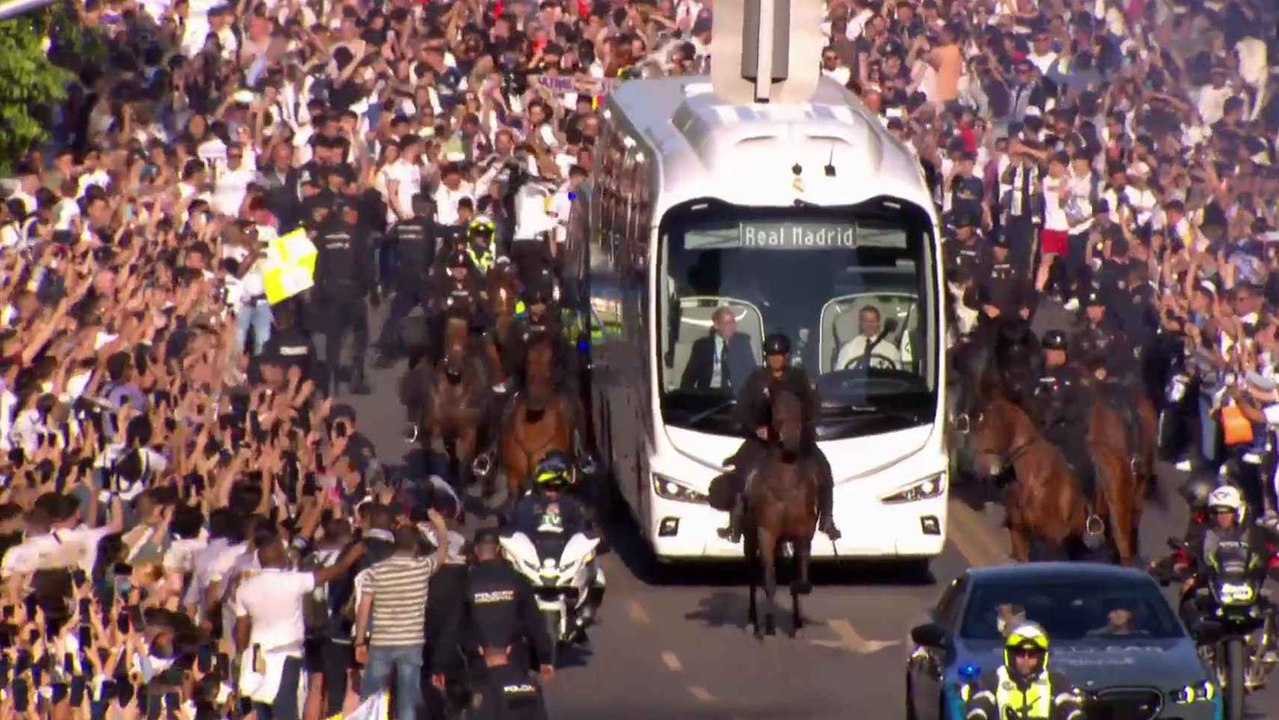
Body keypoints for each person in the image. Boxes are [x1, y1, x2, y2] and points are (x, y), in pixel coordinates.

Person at [719, 333, 841, 543]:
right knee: (743, 470)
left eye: (780, 355)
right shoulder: (756, 379)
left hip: (795, 439)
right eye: (772, 355)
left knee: (823, 468)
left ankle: (827, 519)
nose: (776, 359)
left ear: (787, 356)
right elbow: (740, 411)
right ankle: (735, 523)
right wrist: (756, 428)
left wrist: (802, 428)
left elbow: (812, 406)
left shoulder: (798, 378)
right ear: (766, 357)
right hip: (763, 441)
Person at [353, 510, 451, 720]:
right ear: (416, 546)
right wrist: (441, 527)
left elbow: (364, 607)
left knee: (372, 699)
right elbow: (442, 553)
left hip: (381, 642)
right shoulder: (422, 567)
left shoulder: (376, 570)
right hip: (411, 643)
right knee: (407, 702)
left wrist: (360, 641)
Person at [1172, 484, 1278, 659]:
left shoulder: (1256, 533)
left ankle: (1269, 649)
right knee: (1188, 603)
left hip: (1248, 587)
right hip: (1212, 589)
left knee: (1272, 608)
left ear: (1237, 512)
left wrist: (1274, 565)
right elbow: (1184, 554)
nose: (1221, 517)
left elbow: (1271, 552)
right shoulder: (1201, 533)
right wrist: (1182, 570)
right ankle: (1189, 653)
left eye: (1226, 512)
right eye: (1216, 512)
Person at [508, 451, 605, 627]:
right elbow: (517, 530)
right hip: (534, 561)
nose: (552, 492)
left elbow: (583, 529)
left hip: (564, 560)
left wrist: (595, 538)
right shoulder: (526, 506)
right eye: (548, 487)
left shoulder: (573, 506)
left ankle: (586, 612)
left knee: (598, 576)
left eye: (557, 488)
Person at [312, 196, 375, 395]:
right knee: (359, 335)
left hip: (330, 290)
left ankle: (330, 383)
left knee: (333, 338)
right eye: (354, 213)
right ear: (348, 214)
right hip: (352, 292)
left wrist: (317, 290)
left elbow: (318, 265)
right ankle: (357, 378)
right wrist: (372, 290)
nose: (356, 217)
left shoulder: (325, 234)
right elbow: (366, 265)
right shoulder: (357, 235)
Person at [961, 622, 1086, 720]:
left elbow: (1069, 705)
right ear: (1010, 655)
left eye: (1032, 654)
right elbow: (980, 702)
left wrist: (1076, 716)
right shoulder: (993, 679)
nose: (1026, 659)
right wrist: (977, 715)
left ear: (1042, 657)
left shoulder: (1056, 681)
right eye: (1020, 653)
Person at [374, 193, 437, 367]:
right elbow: (449, 231)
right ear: (425, 207)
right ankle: (439, 352)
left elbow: (384, 240)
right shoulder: (428, 225)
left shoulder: (401, 225)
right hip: (424, 279)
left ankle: (383, 352)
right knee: (435, 314)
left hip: (405, 277)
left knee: (395, 316)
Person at [679, 306, 756, 392]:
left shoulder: (742, 342)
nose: (732, 326)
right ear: (716, 325)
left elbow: (752, 372)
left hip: (736, 395)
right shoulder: (702, 346)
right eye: (727, 323)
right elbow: (689, 377)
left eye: (733, 322)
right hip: (711, 395)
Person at [832, 305, 903, 371]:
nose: (869, 325)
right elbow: (840, 376)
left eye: (872, 321)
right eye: (865, 321)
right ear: (860, 323)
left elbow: (897, 376)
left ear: (878, 323)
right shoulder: (848, 349)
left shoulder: (891, 350)